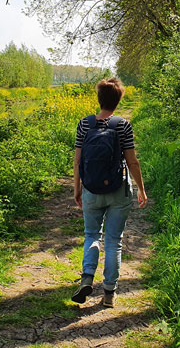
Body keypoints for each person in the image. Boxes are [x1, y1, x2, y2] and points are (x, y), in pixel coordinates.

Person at [71, 77, 147, 308]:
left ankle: (87, 278)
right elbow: (132, 162)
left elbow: (77, 161)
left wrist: (77, 189)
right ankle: (109, 293)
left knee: (92, 235)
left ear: (99, 98)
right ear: (118, 100)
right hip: (118, 190)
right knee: (114, 241)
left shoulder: (84, 124)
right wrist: (141, 189)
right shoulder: (123, 125)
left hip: (91, 189)